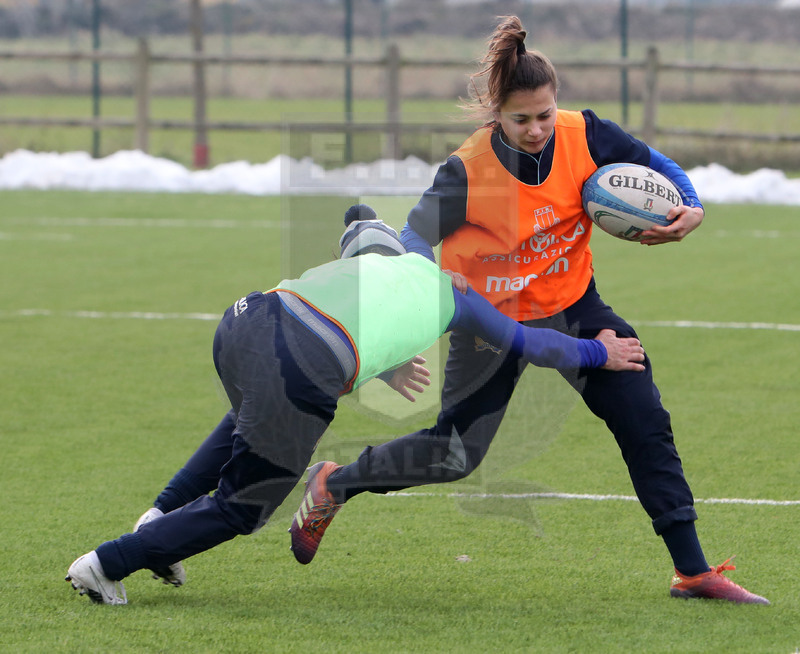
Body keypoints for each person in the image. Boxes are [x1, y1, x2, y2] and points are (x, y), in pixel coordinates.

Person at [288, 16, 770, 605]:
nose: (539, 128)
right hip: (489, 323)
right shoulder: (466, 171)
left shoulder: (586, 133)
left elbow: (656, 163)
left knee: (643, 418)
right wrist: (425, 300)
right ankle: (338, 483)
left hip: (574, 305)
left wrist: (690, 205)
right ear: (497, 114)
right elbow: (413, 239)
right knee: (454, 455)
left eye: (546, 114)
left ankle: (692, 572)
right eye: (522, 119)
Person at [65, 205, 645, 605]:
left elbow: (361, 231)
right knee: (244, 508)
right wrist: (597, 351)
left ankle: (160, 521)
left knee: (246, 419)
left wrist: (383, 359)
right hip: (300, 365)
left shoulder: (360, 265)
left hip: (243, 321)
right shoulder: (453, 294)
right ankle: (107, 564)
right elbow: (531, 342)